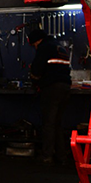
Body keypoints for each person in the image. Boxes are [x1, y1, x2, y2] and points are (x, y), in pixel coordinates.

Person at [28, 28, 71, 165]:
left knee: (48, 124)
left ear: (38, 41)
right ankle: (62, 157)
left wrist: (34, 79)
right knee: (57, 124)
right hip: (65, 88)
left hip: (52, 89)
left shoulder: (44, 47)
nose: (35, 48)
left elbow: (36, 69)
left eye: (34, 45)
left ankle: (47, 157)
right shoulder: (60, 47)